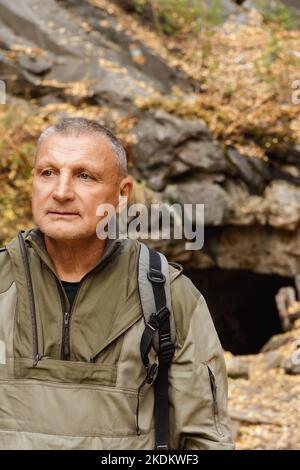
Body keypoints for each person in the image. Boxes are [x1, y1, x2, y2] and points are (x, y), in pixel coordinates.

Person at [0, 117, 234, 450]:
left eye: (84, 176)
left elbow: (204, 442)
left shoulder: (167, 295)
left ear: (122, 194)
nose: (61, 192)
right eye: (48, 173)